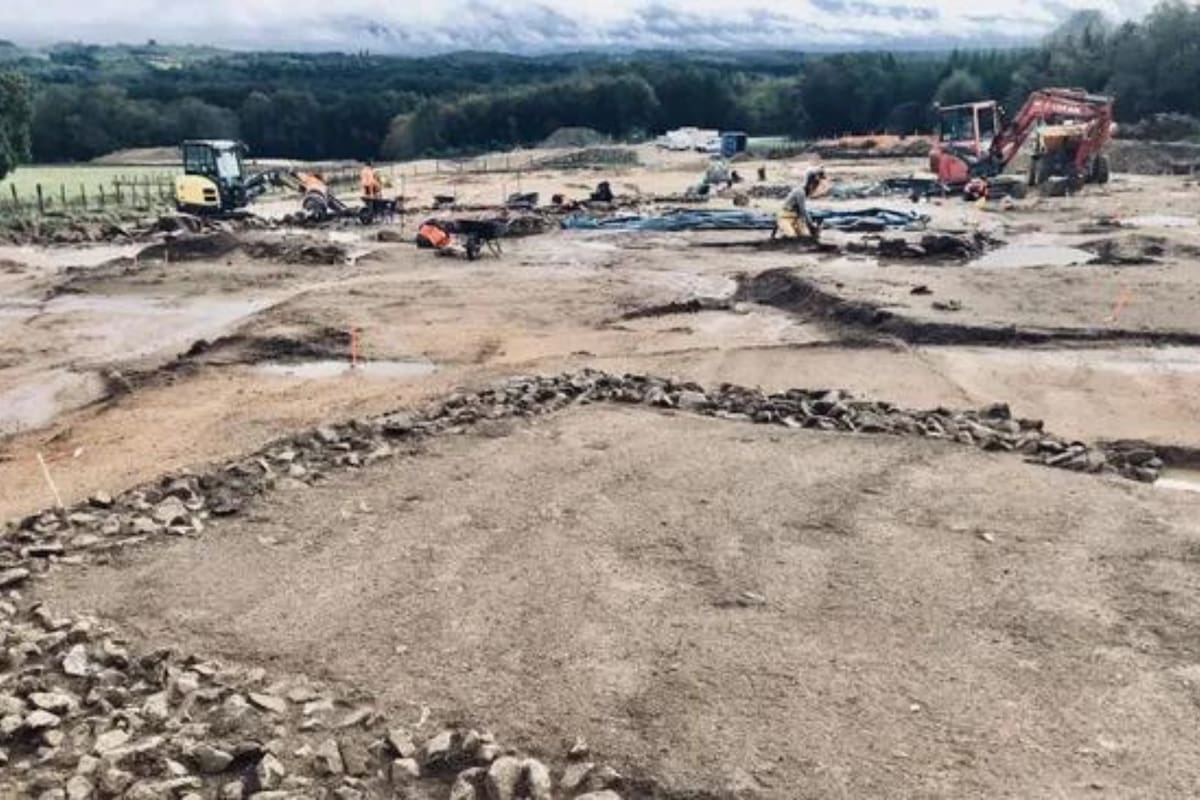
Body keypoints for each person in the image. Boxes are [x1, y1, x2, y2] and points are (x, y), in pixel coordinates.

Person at [773, 167, 826, 241]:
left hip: (796, 218)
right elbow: (803, 211)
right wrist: (811, 225)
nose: (816, 187)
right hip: (785, 217)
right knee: (791, 237)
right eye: (815, 184)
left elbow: (802, 213)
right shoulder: (800, 192)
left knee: (804, 237)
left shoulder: (805, 192)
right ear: (810, 183)